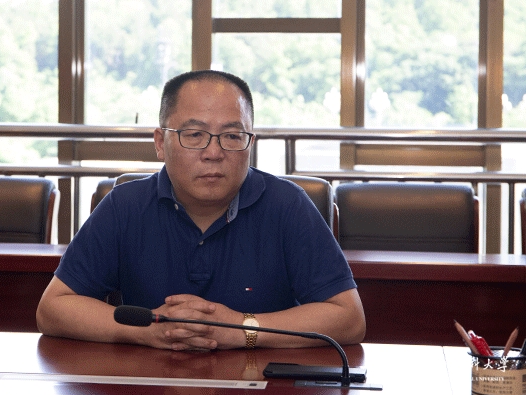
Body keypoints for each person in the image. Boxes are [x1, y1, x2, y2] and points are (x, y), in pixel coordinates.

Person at [36, 70, 365, 351]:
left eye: (232, 135)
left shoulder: (287, 205)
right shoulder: (124, 205)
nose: (213, 152)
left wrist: (242, 328)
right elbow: (53, 308)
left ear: (250, 143)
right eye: (194, 135)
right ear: (160, 142)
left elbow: (349, 318)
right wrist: (147, 331)